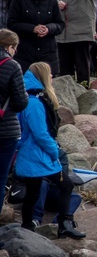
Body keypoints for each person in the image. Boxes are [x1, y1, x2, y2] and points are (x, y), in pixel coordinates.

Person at [16, 62, 85, 239]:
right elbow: (40, 133)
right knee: (66, 185)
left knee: (33, 191)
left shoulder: (28, 97)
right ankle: (64, 225)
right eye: (50, 74)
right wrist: (54, 151)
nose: (52, 77)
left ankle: (27, 227)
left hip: (29, 153)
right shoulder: (34, 102)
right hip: (39, 154)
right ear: (43, 76)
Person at [7, 0, 64, 74]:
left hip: (48, 54)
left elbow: (59, 25)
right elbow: (12, 24)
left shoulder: (52, 0)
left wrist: (48, 29)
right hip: (25, 53)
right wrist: (33, 29)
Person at [0, 30, 29, 217]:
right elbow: (20, 102)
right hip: (5, 130)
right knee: (0, 179)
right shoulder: (11, 66)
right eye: (14, 47)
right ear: (8, 47)